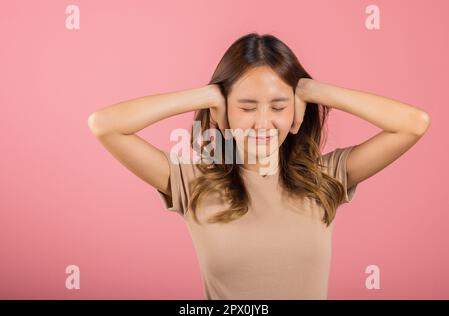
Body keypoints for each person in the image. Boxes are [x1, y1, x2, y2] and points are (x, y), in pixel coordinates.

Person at [87, 33, 431, 300]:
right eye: (247, 107)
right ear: (224, 111)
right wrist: (206, 96)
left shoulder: (326, 177)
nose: (263, 123)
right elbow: (105, 125)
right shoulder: (191, 183)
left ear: (295, 114)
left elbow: (413, 123)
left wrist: (312, 89)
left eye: (279, 107)